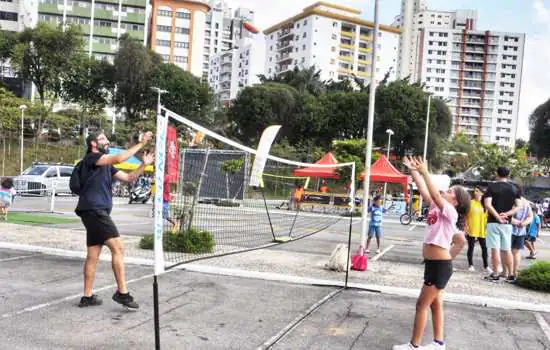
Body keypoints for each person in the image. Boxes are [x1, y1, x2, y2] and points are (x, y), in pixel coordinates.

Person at [393, 156, 470, 350]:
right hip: (435, 265)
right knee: (435, 305)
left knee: (421, 305)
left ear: (456, 201)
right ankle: (438, 343)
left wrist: (426, 171)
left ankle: (414, 346)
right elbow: (426, 193)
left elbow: (435, 195)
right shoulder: (438, 207)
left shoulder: (451, 211)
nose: (446, 191)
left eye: (450, 191)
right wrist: (414, 171)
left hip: (439, 266)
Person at [76, 132, 154, 309]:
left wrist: (143, 164)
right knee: (118, 247)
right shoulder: (92, 158)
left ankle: (87, 297)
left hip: (93, 212)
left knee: (93, 255)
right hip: (95, 211)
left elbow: (128, 178)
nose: (107, 141)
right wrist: (141, 143)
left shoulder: (106, 165)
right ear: (93, 144)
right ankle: (122, 293)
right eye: (103, 139)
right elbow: (119, 157)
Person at [483, 167, 521, 282]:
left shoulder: (492, 187)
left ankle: (495, 273)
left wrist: (498, 216)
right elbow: (519, 206)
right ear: (509, 174)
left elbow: (488, 205)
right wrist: (507, 214)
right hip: (507, 223)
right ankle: (511, 274)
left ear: (496, 173)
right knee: (507, 249)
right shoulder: (514, 188)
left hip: (493, 222)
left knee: (495, 249)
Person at [465, 187, 490, 273]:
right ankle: (470, 265)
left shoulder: (485, 205)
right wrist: (466, 226)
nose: (475, 192)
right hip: (471, 228)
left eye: (477, 191)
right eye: (474, 191)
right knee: (471, 247)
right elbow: (465, 216)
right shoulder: (470, 203)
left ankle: (486, 266)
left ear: (482, 193)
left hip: (482, 229)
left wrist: (487, 227)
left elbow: (487, 217)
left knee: (484, 248)